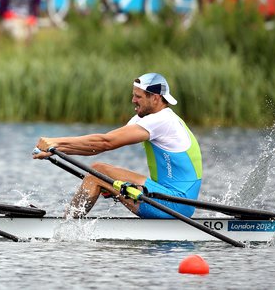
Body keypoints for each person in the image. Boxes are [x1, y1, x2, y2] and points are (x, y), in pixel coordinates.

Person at [33, 73, 202, 219]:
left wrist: (57, 142)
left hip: (176, 203)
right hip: (166, 197)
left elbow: (106, 142)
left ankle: (65, 226)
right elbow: (97, 147)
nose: (133, 100)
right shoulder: (145, 118)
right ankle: (68, 222)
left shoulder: (163, 120)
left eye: (138, 96)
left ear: (155, 98)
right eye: (133, 95)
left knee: (99, 172)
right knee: (98, 174)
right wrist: (54, 150)